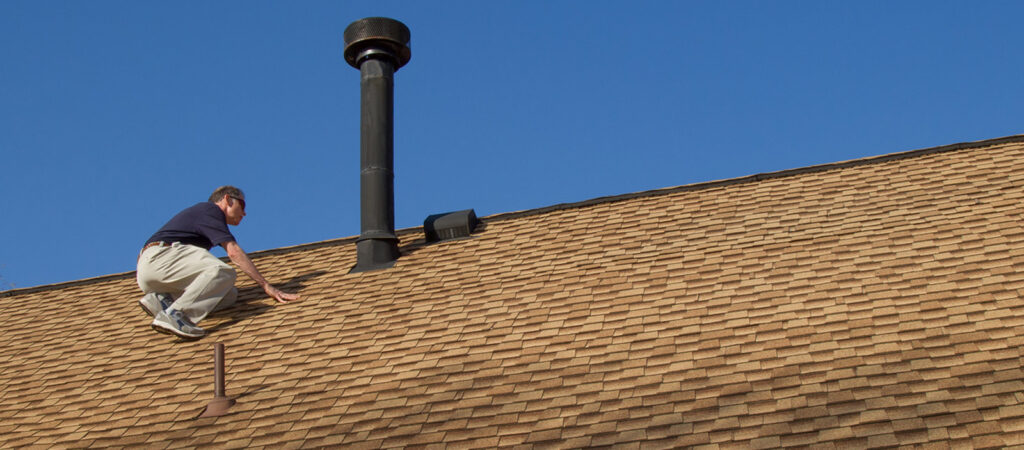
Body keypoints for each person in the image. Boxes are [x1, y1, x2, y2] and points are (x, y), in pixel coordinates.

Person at [136, 186, 300, 339]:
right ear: (227, 199)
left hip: (154, 270)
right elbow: (233, 251)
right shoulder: (210, 210)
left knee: (228, 295)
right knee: (222, 271)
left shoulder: (204, 218)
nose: (244, 213)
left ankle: (162, 299)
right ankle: (175, 315)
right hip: (162, 258)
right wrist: (266, 285)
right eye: (242, 205)